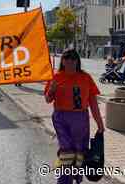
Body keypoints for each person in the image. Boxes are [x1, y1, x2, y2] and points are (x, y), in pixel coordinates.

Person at [44, 49, 105, 184]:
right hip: (61, 119)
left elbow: (93, 103)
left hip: (81, 119)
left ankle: (76, 176)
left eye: (73, 58)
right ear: (63, 61)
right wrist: (51, 90)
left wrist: (100, 123)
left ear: (78, 61)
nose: (70, 61)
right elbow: (48, 99)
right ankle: (64, 180)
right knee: (66, 150)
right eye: (67, 58)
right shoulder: (56, 77)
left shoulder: (86, 78)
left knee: (79, 151)